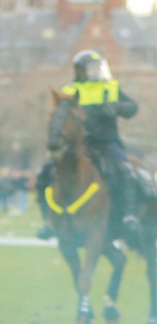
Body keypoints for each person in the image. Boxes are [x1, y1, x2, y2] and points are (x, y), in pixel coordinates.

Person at [35, 50, 139, 241]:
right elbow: (60, 117)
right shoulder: (69, 91)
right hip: (79, 147)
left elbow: (132, 108)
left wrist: (116, 107)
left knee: (125, 170)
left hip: (107, 143)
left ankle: (129, 217)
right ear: (81, 71)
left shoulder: (111, 87)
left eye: (98, 67)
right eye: (92, 68)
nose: (96, 71)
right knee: (45, 173)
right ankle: (48, 221)